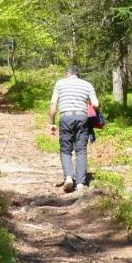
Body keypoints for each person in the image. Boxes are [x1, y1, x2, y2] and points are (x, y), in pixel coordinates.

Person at [49, 64, 100, 193]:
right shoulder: (87, 85)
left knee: (66, 150)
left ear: (67, 74)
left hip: (66, 118)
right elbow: (95, 104)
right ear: (78, 75)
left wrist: (52, 122)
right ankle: (80, 184)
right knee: (81, 150)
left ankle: (69, 178)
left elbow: (53, 103)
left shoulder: (60, 83)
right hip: (82, 118)